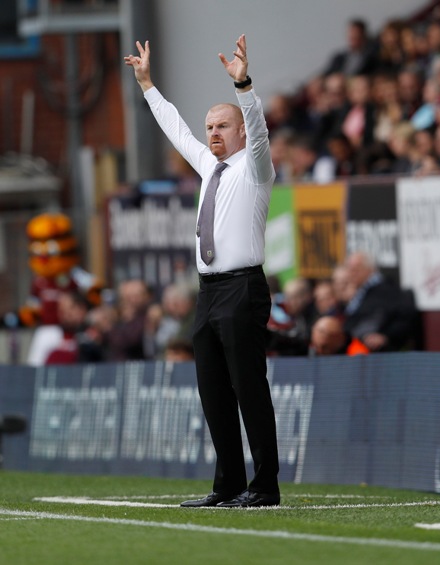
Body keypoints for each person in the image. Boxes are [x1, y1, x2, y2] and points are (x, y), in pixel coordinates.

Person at [124, 35, 280, 508]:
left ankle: (265, 485)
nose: (212, 133)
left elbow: (259, 127)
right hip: (208, 291)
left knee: (248, 386)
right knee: (212, 389)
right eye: (209, 126)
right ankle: (228, 482)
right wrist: (148, 85)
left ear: (240, 133)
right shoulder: (208, 169)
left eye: (222, 126)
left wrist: (243, 87)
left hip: (242, 287)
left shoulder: (255, 168)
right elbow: (175, 130)